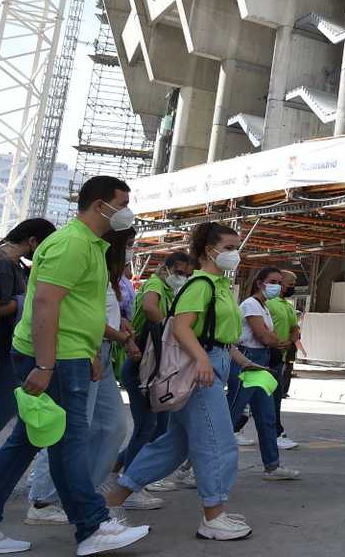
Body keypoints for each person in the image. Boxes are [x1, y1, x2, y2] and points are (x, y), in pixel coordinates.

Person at [0, 176, 150, 555]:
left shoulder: (91, 245)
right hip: (56, 358)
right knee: (67, 443)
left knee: (28, 442)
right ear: (100, 205)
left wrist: (92, 352)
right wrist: (45, 366)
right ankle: (91, 526)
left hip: (70, 354)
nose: (127, 210)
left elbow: (82, 310)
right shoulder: (72, 244)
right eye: (122, 202)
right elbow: (46, 304)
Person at [102, 221, 271, 541]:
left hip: (210, 363)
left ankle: (113, 499)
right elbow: (181, 327)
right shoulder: (202, 285)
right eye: (230, 248)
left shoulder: (218, 285)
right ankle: (213, 516)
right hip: (199, 369)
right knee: (218, 443)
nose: (236, 254)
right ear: (209, 250)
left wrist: (236, 361)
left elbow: (220, 335)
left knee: (174, 445)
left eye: (237, 248)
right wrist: (203, 360)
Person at [25, 228, 139, 521]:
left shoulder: (109, 273)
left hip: (97, 350)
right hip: (82, 350)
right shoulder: (80, 252)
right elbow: (72, 311)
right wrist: (102, 346)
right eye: (128, 244)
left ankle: (83, 493)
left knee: (112, 425)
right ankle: (44, 500)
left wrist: (121, 323)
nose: (131, 251)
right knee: (69, 431)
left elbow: (98, 311)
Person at [118, 252, 192, 477]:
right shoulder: (155, 284)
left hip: (151, 364)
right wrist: (172, 332)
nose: (182, 278)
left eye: (187, 275)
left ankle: (120, 467)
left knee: (159, 427)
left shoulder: (168, 290)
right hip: (142, 364)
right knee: (146, 427)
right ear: (164, 267)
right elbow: (150, 308)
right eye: (179, 272)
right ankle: (131, 478)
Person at [225, 267, 298, 480]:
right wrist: (276, 339)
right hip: (247, 361)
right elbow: (265, 337)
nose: (278, 286)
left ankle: (272, 466)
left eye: (279, 282)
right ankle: (190, 466)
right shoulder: (250, 305)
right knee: (230, 415)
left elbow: (271, 336)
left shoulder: (264, 307)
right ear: (259, 283)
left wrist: (274, 339)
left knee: (266, 416)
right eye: (273, 281)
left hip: (261, 361)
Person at [0, 219, 55, 445]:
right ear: (33, 241)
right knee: (7, 406)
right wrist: (24, 302)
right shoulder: (3, 262)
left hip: (4, 347)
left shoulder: (13, 263)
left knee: (8, 406)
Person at [266, 269, 301, 449]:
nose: (292, 288)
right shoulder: (266, 303)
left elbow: (295, 328)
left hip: (280, 357)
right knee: (271, 397)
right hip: (266, 356)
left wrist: (290, 340)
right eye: (290, 285)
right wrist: (274, 342)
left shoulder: (288, 306)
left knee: (269, 397)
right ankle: (277, 433)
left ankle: (236, 427)